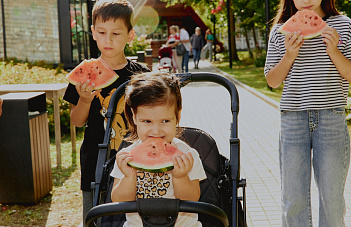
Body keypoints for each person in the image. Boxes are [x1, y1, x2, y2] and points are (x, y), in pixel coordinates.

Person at [62, 0, 150, 225]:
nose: (108, 40)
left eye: (116, 33)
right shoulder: (84, 73)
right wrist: (84, 99)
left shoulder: (142, 75)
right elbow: (77, 121)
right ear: (93, 32)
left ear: (130, 35)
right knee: (95, 217)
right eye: (101, 32)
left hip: (135, 161)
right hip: (94, 163)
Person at [264, 0, 351, 226]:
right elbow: (272, 81)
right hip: (293, 119)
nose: (306, 0)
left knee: (332, 201)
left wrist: (333, 50)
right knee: (293, 201)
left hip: (331, 117)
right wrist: (289, 55)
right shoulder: (279, 29)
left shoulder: (344, 25)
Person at [110, 72, 207, 226]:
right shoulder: (126, 157)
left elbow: (192, 199)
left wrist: (180, 177)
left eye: (165, 121)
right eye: (147, 121)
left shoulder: (187, 155)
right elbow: (118, 201)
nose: (156, 131)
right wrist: (129, 178)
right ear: (134, 117)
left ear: (178, 116)